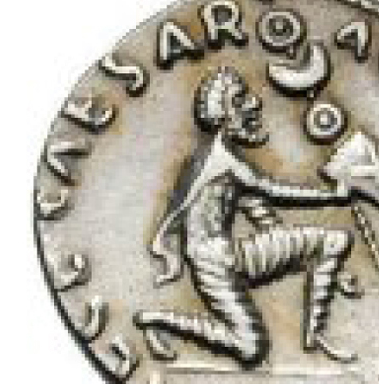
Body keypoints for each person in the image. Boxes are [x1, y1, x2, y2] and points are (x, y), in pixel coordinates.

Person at [134, 66, 359, 367]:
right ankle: (157, 320)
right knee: (251, 348)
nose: (254, 103)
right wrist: (333, 195)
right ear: (223, 114)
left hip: (235, 255)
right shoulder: (222, 159)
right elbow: (271, 190)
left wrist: (318, 265)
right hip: (213, 261)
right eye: (240, 100)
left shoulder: (224, 161)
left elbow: (257, 208)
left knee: (332, 241)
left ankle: (315, 335)